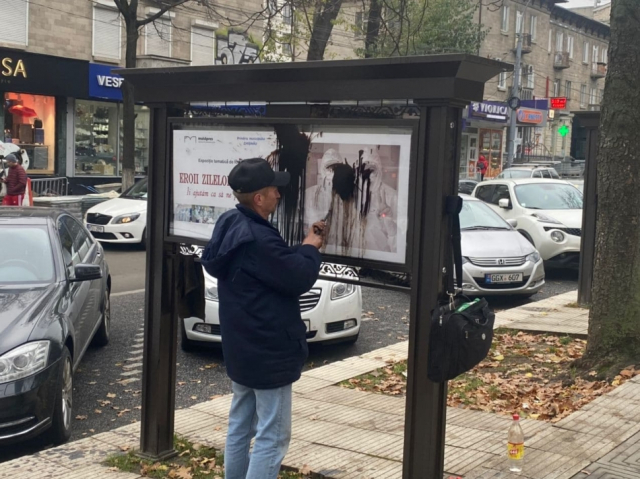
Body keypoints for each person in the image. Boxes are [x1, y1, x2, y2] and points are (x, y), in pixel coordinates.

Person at [201, 158, 325, 479]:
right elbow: (297, 276)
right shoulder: (258, 239)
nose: (279, 195)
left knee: (240, 426)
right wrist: (311, 246)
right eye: (274, 190)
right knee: (273, 435)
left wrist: (300, 249)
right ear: (259, 198)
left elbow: (276, 267)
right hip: (269, 353)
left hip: (242, 349)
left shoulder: (231, 223)